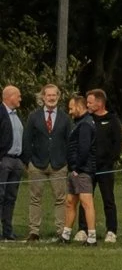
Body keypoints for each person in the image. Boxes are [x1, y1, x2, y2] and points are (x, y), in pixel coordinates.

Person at [26, 84, 73, 242]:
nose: (51, 98)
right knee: (35, 198)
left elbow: (70, 142)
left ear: (58, 97)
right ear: (43, 97)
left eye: (54, 95)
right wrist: (29, 161)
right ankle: (34, 232)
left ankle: (61, 231)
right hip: (37, 164)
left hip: (59, 164)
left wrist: (67, 161)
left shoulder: (65, 118)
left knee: (61, 199)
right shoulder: (33, 117)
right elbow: (27, 140)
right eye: (48, 95)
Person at [77, 88, 122, 242]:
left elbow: (117, 144)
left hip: (105, 168)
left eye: (90, 102)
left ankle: (111, 230)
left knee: (108, 199)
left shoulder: (112, 120)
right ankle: (83, 229)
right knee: (85, 199)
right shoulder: (86, 119)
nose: (88, 105)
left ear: (99, 103)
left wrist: (109, 161)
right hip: (87, 167)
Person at [64, 90, 100, 244]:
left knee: (86, 202)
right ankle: (65, 235)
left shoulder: (85, 124)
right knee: (70, 202)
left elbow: (84, 149)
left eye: (72, 108)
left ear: (79, 106)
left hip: (83, 171)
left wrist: (78, 169)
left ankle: (91, 237)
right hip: (75, 170)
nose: (70, 111)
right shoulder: (79, 123)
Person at [0, 84, 22, 240]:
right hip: (4, 160)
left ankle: (7, 231)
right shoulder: (0, 113)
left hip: (17, 162)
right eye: (18, 96)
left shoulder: (16, 116)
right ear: (9, 97)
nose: (20, 98)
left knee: (10, 198)